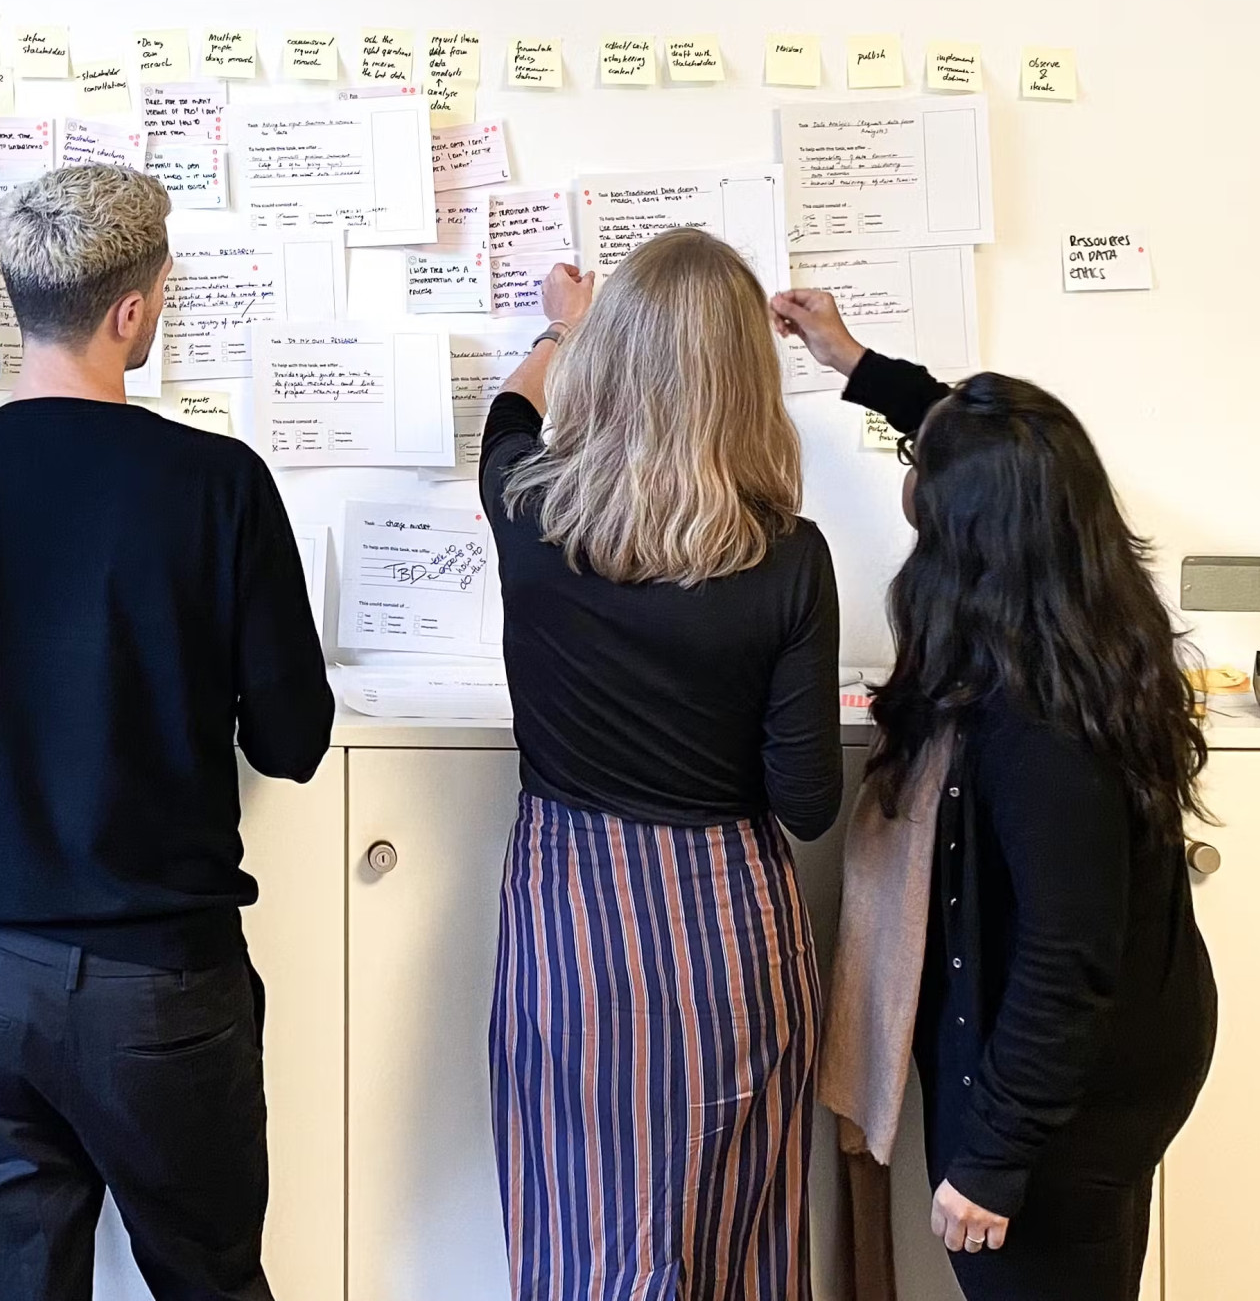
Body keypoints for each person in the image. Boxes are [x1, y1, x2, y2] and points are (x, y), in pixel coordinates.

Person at [0, 163, 336, 1301]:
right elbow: (293, 739)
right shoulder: (219, 486)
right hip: (164, 982)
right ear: (132, 310)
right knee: (211, 1284)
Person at [773, 290, 1217, 1301]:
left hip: (1065, 1109)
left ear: (968, 533)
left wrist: (991, 1159)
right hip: (1106, 1070)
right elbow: (974, 438)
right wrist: (854, 363)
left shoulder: (1037, 725)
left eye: (917, 476)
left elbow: (1064, 959)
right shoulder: (1077, 618)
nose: (909, 486)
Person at [482, 231, 842, 1301]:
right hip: (729, 936)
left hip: (571, 929)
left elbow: (506, 415)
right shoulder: (789, 555)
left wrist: (561, 325)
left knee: (581, 1231)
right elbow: (809, 803)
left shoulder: (527, 508)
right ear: (748, 380)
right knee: (735, 1242)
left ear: (609, 360)